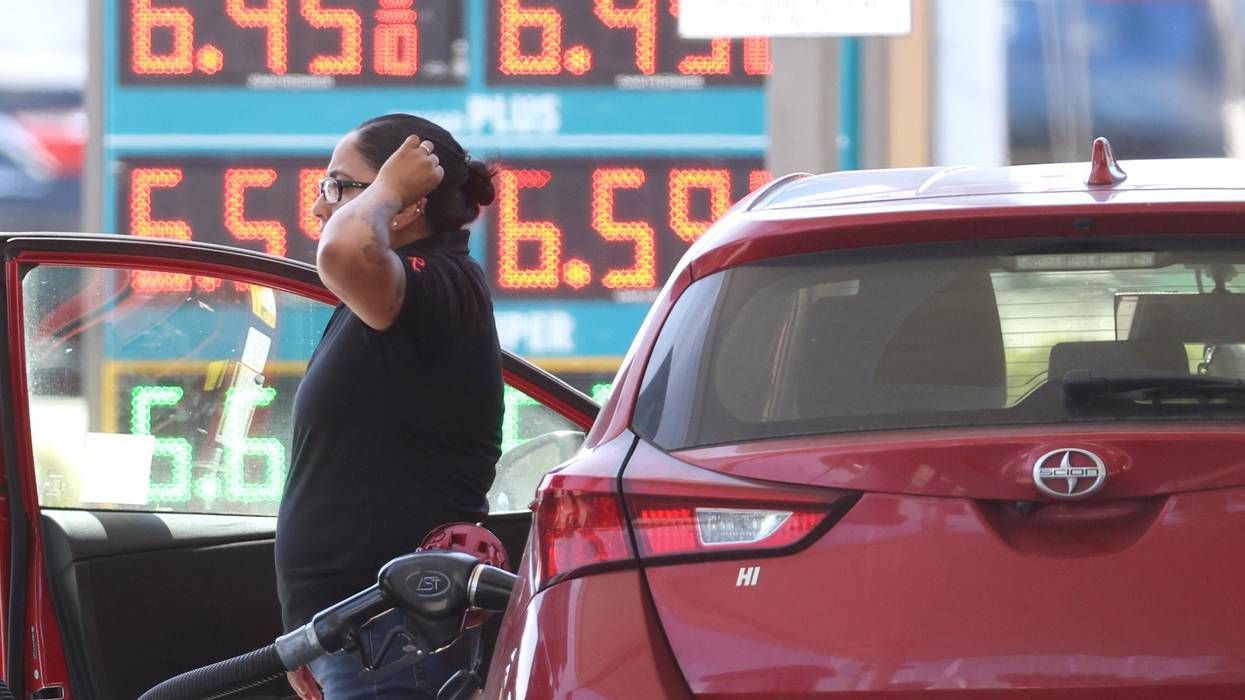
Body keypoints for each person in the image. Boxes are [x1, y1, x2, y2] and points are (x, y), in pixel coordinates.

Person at [276, 114, 504, 699]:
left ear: (405, 207)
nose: (321, 209)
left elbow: (344, 251)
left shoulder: (440, 287)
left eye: (337, 186)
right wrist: (308, 634)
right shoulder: (383, 301)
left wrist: (385, 190)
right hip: (360, 636)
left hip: (399, 636)